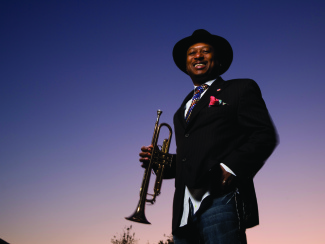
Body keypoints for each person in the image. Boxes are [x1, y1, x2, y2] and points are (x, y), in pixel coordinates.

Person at [139, 29, 278, 244]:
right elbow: (189, 161)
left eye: (205, 51)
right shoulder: (181, 110)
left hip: (221, 198)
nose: (198, 56)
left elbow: (264, 134)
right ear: (186, 64)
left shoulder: (240, 88)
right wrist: (160, 161)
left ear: (218, 59)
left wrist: (231, 168)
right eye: (192, 53)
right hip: (183, 211)